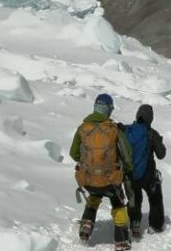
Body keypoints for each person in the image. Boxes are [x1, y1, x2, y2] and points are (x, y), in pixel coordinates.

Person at [70, 94, 134, 250]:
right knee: (118, 203)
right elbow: (127, 154)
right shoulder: (114, 130)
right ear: (109, 110)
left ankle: (87, 223)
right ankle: (121, 240)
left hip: (88, 180)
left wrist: (89, 164)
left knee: (94, 195)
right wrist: (127, 168)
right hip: (110, 181)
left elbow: (74, 153)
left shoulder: (82, 128)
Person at [122, 104, 167, 238]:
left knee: (134, 198)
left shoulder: (128, 130)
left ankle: (135, 223)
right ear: (150, 118)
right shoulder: (152, 133)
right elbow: (161, 154)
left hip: (130, 174)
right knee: (155, 197)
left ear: (137, 115)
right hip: (148, 175)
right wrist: (158, 141)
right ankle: (156, 225)